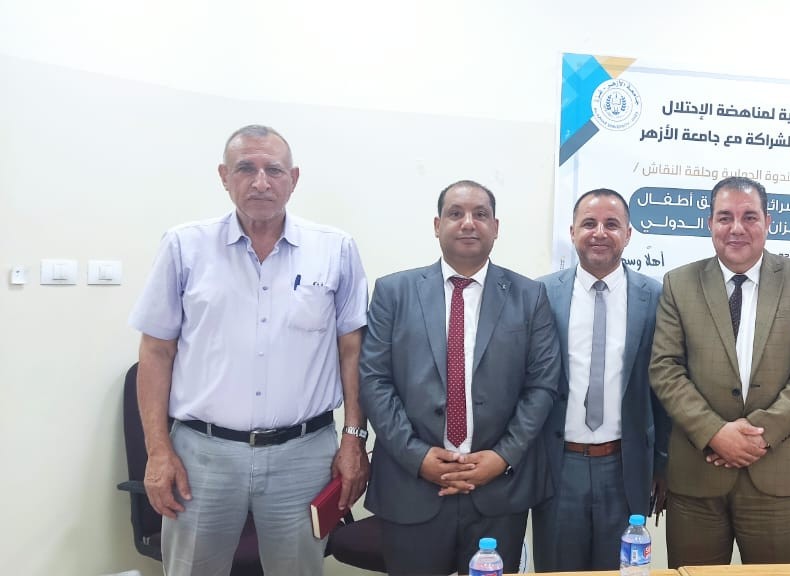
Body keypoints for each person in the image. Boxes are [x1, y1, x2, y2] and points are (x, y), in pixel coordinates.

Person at [128, 124, 370, 576]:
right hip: (202, 455)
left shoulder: (335, 249)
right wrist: (158, 451)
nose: (260, 182)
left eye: (273, 170)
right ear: (224, 176)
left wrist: (354, 438)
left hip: (304, 455)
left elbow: (352, 351)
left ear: (293, 179)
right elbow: (156, 352)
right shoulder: (184, 246)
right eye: (245, 168)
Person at [360, 180, 560, 575]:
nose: (468, 223)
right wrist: (417, 457)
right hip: (412, 485)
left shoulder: (529, 296)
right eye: (456, 213)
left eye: (480, 214)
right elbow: (374, 380)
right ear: (437, 225)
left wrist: (502, 457)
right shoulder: (393, 292)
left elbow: (542, 386)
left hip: (498, 490)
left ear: (496, 227)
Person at [649, 176, 790, 567]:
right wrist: (715, 433)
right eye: (725, 217)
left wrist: (760, 434)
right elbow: (665, 369)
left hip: (776, 473)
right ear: (710, 224)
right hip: (697, 475)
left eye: (749, 216)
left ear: (768, 222)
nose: (736, 228)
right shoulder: (679, 284)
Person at [532, 189, 671, 571]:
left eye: (611, 224)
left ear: (628, 234)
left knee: (619, 569)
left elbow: (664, 387)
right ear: (572, 231)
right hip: (558, 465)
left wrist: (662, 463)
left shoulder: (655, 296)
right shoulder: (541, 293)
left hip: (625, 466)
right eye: (589, 223)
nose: (599, 232)